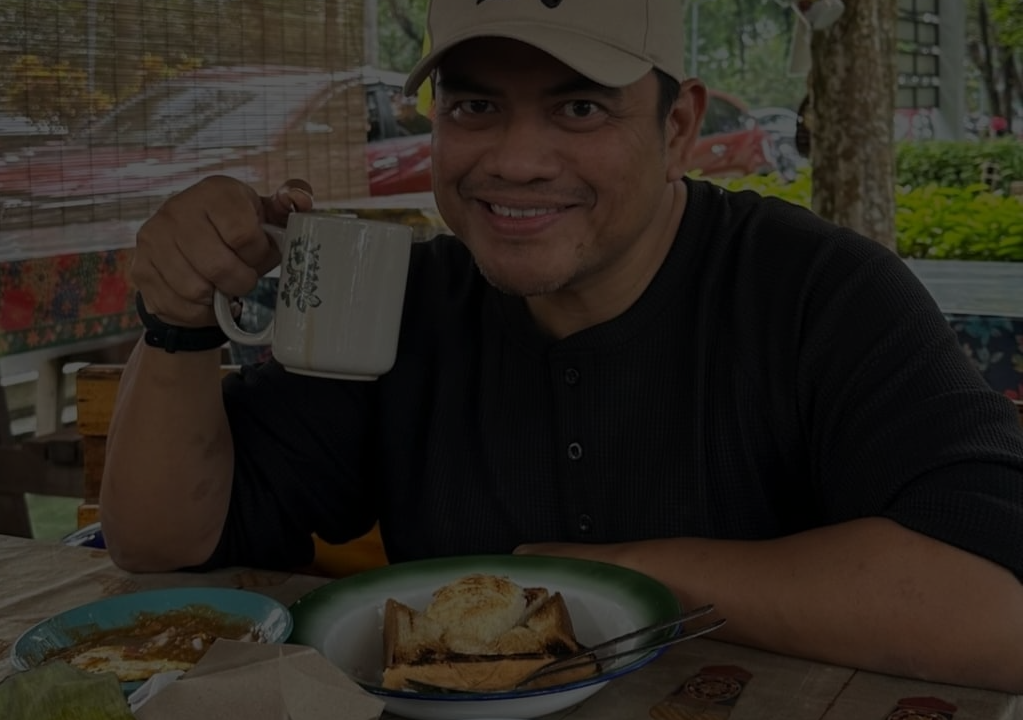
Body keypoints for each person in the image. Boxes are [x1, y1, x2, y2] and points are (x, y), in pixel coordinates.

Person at [100, 0, 1023, 694]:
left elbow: (998, 611)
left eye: (579, 108)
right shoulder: (406, 302)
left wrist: (609, 579)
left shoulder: (821, 292)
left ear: (678, 127)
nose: (515, 160)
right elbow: (162, 542)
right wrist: (180, 320)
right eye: (474, 105)